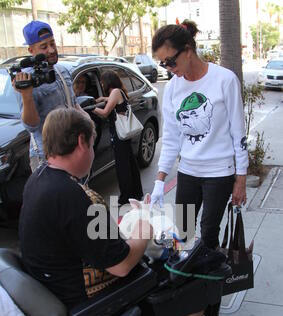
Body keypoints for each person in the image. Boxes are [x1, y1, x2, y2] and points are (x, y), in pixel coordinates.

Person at [19, 107, 224, 316]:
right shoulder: (74, 197)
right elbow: (122, 266)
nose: (93, 152)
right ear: (82, 142)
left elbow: (81, 233)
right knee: (191, 274)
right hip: (79, 296)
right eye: (93, 144)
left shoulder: (39, 178)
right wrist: (143, 228)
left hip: (51, 283)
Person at [150, 20, 248, 249]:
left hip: (219, 172)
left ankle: (208, 282)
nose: (169, 68)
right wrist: (159, 179)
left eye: (171, 61)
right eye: (163, 64)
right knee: (183, 232)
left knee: (209, 235)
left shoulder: (224, 80)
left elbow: (238, 133)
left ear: (188, 50)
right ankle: (187, 280)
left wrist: (240, 179)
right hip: (188, 171)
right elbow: (172, 138)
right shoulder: (173, 88)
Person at [13, 20, 87, 172]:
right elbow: (32, 126)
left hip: (72, 150)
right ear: (31, 50)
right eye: (44, 47)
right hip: (46, 157)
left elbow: (73, 105)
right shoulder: (27, 79)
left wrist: (88, 126)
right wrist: (27, 95)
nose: (51, 50)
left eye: (53, 44)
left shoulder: (62, 72)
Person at [93, 70, 143, 206]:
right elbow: (112, 102)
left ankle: (125, 197)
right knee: (130, 164)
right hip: (123, 134)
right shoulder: (118, 91)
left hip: (119, 135)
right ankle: (136, 193)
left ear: (108, 81)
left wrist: (90, 108)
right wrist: (103, 99)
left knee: (123, 167)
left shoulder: (114, 92)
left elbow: (104, 113)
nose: (102, 84)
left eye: (102, 81)